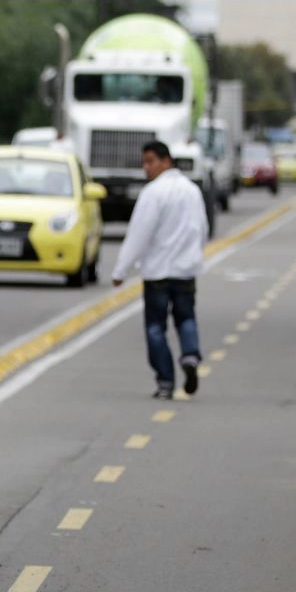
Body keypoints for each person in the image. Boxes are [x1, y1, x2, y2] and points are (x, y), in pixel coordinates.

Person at [112, 140, 208, 400]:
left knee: (156, 327)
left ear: (166, 161)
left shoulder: (152, 193)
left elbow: (139, 234)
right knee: (186, 318)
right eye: (144, 163)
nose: (146, 168)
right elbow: (201, 227)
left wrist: (121, 271)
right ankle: (190, 355)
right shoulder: (192, 191)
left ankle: (165, 381)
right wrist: (195, 255)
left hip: (158, 271)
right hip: (185, 269)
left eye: (150, 161)